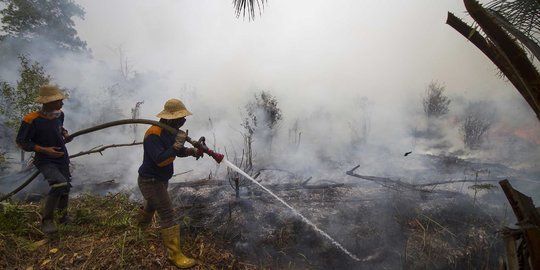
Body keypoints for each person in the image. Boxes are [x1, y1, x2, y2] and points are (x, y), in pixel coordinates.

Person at [137, 98, 203, 269]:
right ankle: (175, 255)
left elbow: (177, 152)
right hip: (150, 180)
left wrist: (191, 150)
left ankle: (139, 230)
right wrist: (177, 144)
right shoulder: (154, 134)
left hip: (160, 179)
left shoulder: (169, 132)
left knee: (152, 205)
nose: (183, 121)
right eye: (181, 118)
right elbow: (160, 159)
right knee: (166, 213)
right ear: (171, 119)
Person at [16, 84, 72, 234]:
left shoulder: (59, 114)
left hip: (62, 156)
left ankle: (63, 217)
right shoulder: (31, 119)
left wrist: (65, 134)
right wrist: (44, 149)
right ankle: (47, 221)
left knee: (65, 186)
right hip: (45, 160)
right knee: (59, 183)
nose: (62, 103)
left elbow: (60, 128)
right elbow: (22, 142)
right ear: (47, 102)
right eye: (58, 100)